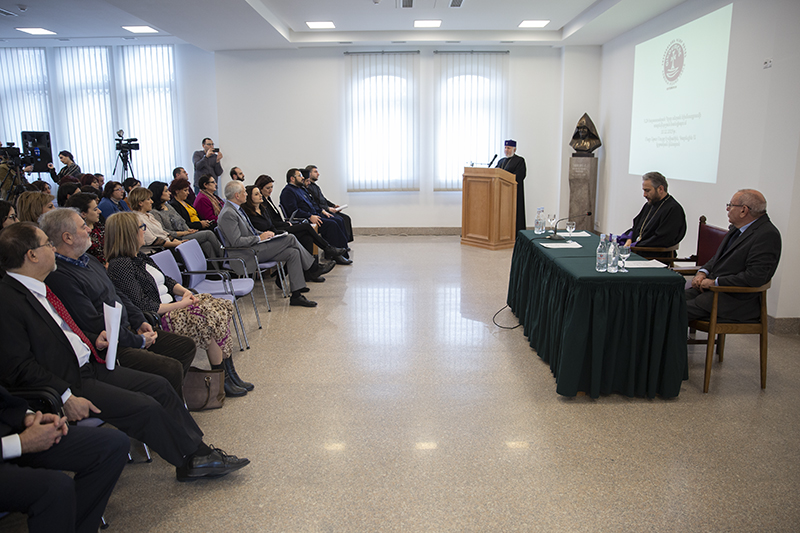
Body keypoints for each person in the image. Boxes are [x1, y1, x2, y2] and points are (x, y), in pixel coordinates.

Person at [0, 222, 250, 481]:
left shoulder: (39, 288)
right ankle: (194, 459)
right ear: (31, 255)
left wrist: (92, 339)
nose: (52, 249)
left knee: (160, 387)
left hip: (92, 363)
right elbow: (18, 367)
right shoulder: (9, 301)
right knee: (145, 406)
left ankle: (197, 453)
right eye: (47, 245)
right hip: (68, 382)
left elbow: (64, 330)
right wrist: (65, 396)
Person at [41, 209, 196, 398]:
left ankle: (170, 400)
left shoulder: (88, 260)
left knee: (185, 346)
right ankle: (168, 406)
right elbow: (93, 322)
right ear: (67, 237)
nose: (90, 230)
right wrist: (137, 340)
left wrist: (139, 320)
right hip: (112, 344)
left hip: (129, 328)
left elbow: (117, 293)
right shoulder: (61, 276)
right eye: (83, 227)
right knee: (169, 369)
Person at [105, 212, 252, 397]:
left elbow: (166, 280)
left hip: (173, 306)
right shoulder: (121, 265)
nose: (144, 231)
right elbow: (144, 305)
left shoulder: (140, 257)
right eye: (141, 228)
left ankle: (229, 375)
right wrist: (181, 305)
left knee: (219, 306)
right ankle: (222, 378)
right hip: (160, 316)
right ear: (129, 233)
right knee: (208, 317)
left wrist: (184, 292)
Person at [0, 384, 129, 533]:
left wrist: (28, 416)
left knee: (113, 445)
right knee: (56, 489)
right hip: (10, 445)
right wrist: (21, 444)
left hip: (9, 432)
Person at [218, 180, 333, 308]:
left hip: (254, 248)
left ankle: (296, 295)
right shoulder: (228, 213)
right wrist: (259, 238)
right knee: (290, 238)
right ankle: (313, 268)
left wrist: (264, 234)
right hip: (246, 254)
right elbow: (236, 242)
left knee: (293, 252)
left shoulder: (236, 209)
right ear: (237, 195)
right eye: (244, 192)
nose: (246, 194)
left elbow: (250, 230)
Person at [686, 189, 781, 323]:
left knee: (672, 309)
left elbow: (754, 277)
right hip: (711, 292)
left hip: (734, 301)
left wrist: (715, 282)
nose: (727, 208)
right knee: (664, 302)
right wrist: (703, 272)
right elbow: (718, 258)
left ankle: (669, 344)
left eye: (730, 205)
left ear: (744, 210)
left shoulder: (767, 235)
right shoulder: (737, 229)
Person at [252, 175, 349, 264]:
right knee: (316, 226)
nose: (270, 190)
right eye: (268, 188)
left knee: (310, 235)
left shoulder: (269, 199)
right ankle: (329, 250)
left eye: (271, 187)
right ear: (292, 178)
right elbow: (287, 213)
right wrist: (289, 223)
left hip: (287, 223)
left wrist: (322, 210)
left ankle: (314, 268)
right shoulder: (283, 194)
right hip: (280, 228)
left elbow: (314, 203)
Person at [148, 181, 223, 260]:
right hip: (177, 239)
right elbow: (164, 232)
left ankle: (217, 267)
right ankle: (225, 256)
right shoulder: (155, 212)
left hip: (186, 233)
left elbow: (181, 220)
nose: (169, 193)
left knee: (206, 244)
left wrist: (188, 230)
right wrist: (185, 232)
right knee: (208, 233)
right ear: (158, 193)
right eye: (166, 191)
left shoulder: (168, 206)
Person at [281, 168, 349, 253]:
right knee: (332, 224)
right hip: (305, 219)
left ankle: (342, 250)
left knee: (337, 219)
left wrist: (322, 211)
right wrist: (309, 217)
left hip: (314, 214)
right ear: (292, 178)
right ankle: (335, 254)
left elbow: (312, 203)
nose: (302, 178)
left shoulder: (300, 189)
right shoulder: (288, 192)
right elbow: (293, 212)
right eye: (300, 176)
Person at [619, 172, 686, 251]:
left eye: (647, 191)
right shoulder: (649, 205)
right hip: (639, 249)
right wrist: (629, 239)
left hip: (655, 255)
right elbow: (636, 228)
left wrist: (635, 246)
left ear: (660, 189)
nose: (644, 195)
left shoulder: (673, 209)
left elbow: (662, 240)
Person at [304, 165, 353, 243]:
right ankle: (338, 244)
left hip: (326, 209)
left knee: (346, 218)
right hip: (322, 211)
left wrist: (333, 206)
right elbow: (315, 204)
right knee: (339, 220)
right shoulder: (308, 188)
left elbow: (323, 200)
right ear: (309, 174)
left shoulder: (316, 187)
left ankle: (344, 242)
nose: (318, 174)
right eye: (315, 172)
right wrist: (327, 209)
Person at [495, 139, 527, 235]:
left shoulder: (519, 160)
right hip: (501, 193)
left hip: (514, 193)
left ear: (514, 149)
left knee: (515, 214)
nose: (506, 150)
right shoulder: (501, 161)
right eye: (505, 148)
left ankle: (516, 233)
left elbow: (520, 175)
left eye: (508, 148)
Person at [63, 192, 105, 264]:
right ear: (83, 213)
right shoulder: (77, 234)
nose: (99, 211)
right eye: (95, 209)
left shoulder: (98, 225)